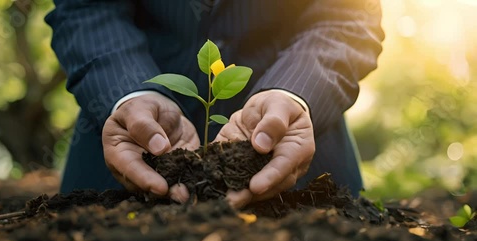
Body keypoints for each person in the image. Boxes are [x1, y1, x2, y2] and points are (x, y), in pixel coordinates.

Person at [46, 0, 384, 208]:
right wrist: (130, 93)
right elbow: (84, 8)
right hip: (123, 156)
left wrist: (294, 91)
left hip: (298, 162)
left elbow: (349, 16)